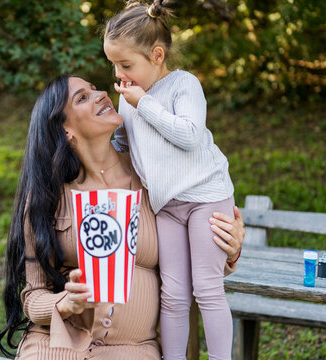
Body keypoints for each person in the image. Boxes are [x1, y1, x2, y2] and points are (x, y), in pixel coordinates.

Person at [0, 75, 244, 359]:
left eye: (94, 89)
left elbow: (195, 262)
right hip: (56, 346)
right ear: (65, 130)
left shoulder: (155, 180)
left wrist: (230, 252)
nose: (101, 94)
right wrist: (66, 302)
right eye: (82, 98)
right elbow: (33, 297)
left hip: (134, 350)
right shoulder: (48, 197)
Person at [103, 2, 237, 359]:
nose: (119, 73)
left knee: (207, 289)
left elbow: (191, 135)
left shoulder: (183, 85)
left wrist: (143, 103)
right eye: (114, 65)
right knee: (174, 294)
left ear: (157, 55)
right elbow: (123, 145)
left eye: (126, 65)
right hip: (167, 205)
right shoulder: (129, 97)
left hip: (205, 197)